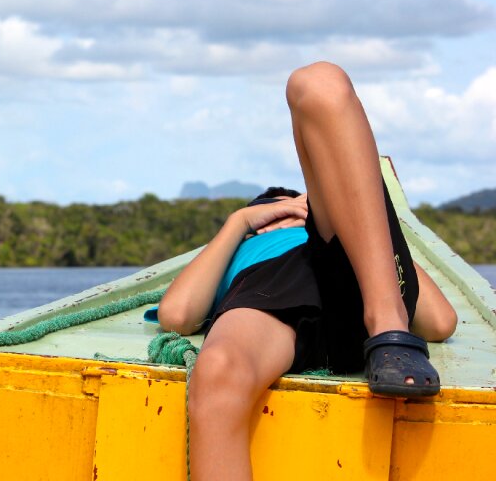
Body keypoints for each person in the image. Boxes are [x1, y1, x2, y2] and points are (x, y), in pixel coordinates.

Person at [155, 61, 458, 481]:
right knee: (217, 370)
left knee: (315, 82)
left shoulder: (331, 226)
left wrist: (349, 215)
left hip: (355, 280)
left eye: (299, 204)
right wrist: (241, 222)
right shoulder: (247, 243)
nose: (290, 211)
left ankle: (386, 323)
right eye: (277, 211)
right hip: (267, 303)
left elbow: (439, 320)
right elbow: (177, 314)